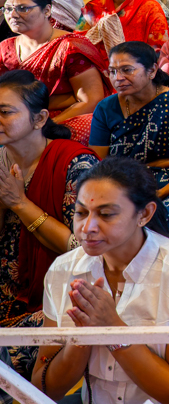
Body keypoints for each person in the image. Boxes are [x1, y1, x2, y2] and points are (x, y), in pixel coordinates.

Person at [35, 157, 169, 404]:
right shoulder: (63, 270)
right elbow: (44, 389)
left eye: (106, 214)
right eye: (81, 213)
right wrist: (82, 338)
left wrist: (112, 328)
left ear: (144, 214)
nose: (87, 227)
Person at [0, 69, 97, 378]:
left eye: (5, 112)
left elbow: (83, 249)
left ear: (40, 118)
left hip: (56, 297)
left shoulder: (76, 164)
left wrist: (20, 204)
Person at [90, 40, 169, 243]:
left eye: (127, 70)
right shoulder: (106, 108)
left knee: (163, 218)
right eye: (113, 71)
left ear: (152, 71)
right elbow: (99, 162)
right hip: (123, 183)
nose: (118, 78)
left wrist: (161, 192)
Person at [0, 0, 110, 143]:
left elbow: (91, 100)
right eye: (8, 9)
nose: (13, 15)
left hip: (63, 121)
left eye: (22, 8)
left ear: (47, 10)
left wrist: (44, 126)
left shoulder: (70, 47)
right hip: (18, 120)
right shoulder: (5, 48)